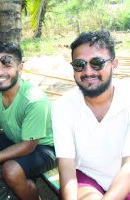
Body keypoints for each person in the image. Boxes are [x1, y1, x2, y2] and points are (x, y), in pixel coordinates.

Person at [0, 43, 55, 200]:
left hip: (45, 146)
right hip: (16, 138)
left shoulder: (34, 100)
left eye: (7, 65)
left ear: (20, 68)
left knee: (11, 171)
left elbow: (29, 146)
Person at [52, 30, 130, 200]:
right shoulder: (61, 107)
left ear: (114, 64)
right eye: (79, 64)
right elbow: (66, 167)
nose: (88, 72)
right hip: (88, 177)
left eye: (97, 63)